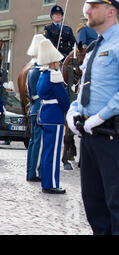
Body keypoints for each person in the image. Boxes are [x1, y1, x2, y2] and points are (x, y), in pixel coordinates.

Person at [66, 0, 119, 235]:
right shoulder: (93, 48)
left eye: (93, 6)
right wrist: (75, 110)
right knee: (94, 208)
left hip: (113, 138)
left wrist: (100, 116)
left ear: (110, 11)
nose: (87, 10)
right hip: (90, 138)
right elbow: (89, 88)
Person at [36, 38, 70, 194]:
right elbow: (63, 98)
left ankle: (46, 181)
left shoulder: (42, 75)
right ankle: (51, 184)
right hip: (55, 116)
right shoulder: (54, 75)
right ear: (53, 62)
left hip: (45, 115)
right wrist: (69, 110)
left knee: (47, 151)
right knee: (54, 152)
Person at [25, 34, 46, 182]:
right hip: (39, 108)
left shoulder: (32, 69)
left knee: (33, 142)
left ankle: (30, 171)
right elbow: (38, 92)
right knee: (37, 142)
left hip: (34, 108)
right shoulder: (38, 71)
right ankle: (34, 172)